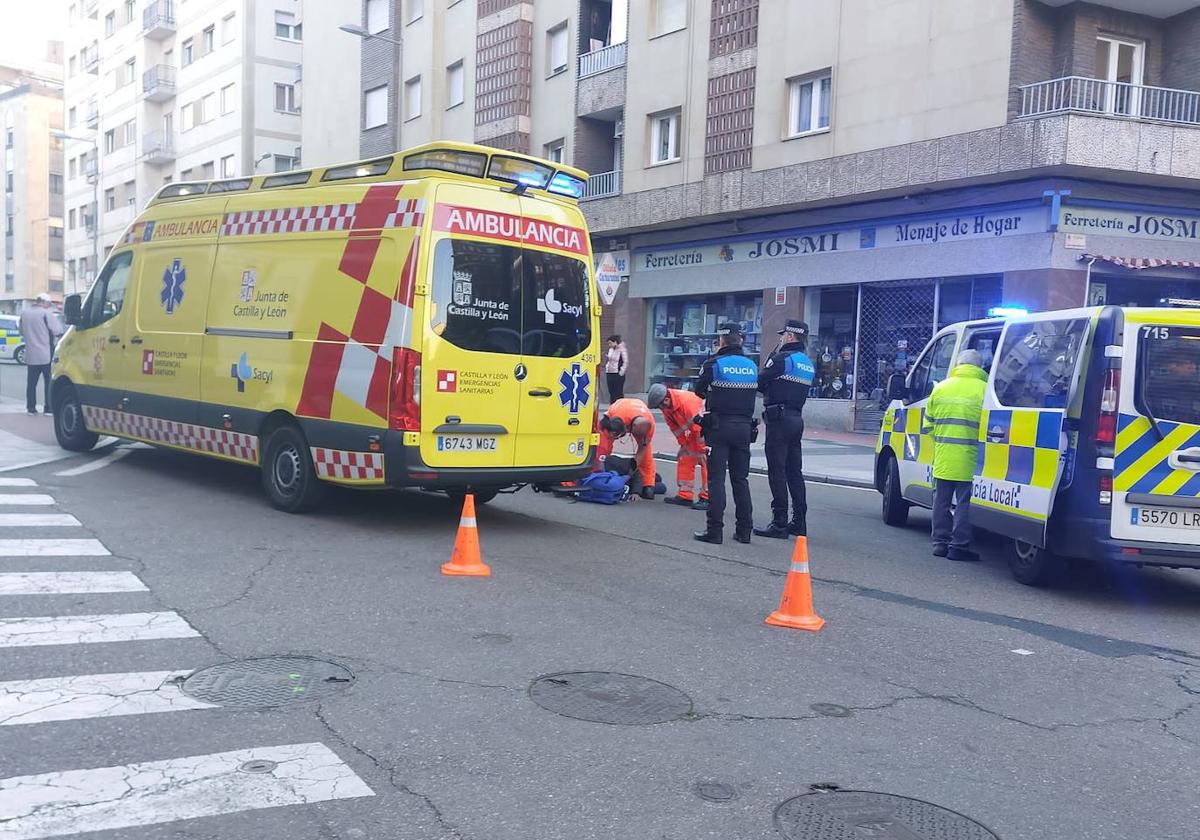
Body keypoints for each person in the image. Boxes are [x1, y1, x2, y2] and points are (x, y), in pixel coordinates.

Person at [693, 324, 758, 545]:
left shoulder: (713, 364)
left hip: (719, 427)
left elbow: (698, 389)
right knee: (741, 479)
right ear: (740, 340)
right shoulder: (751, 366)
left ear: (721, 341)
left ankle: (715, 531)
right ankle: (744, 531)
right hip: (744, 428)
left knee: (716, 480)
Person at [923, 348, 987, 562]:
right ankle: (959, 546)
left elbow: (928, 425)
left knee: (940, 502)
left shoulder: (940, 388)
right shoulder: (985, 391)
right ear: (979, 367)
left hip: (943, 457)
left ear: (958, 365)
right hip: (971, 459)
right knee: (964, 503)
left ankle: (939, 543)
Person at [754, 320, 815, 539]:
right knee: (794, 472)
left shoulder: (782, 359)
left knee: (777, 471)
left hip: (778, 420)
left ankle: (779, 522)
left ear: (790, 336)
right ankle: (799, 522)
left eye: (783, 335)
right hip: (796, 419)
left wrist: (769, 363)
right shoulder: (807, 363)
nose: (780, 338)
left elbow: (759, 383)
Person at [645, 383, 708, 510]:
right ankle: (685, 495)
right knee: (684, 457)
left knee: (706, 462)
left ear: (666, 399)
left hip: (705, 432)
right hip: (694, 432)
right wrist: (683, 444)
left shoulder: (687, 403)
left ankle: (707, 498)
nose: (661, 409)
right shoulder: (667, 407)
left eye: (660, 406)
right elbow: (676, 428)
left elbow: (699, 428)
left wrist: (702, 450)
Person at [596, 397, 656, 499]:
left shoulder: (649, 426)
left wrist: (632, 472)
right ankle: (600, 469)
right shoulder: (619, 415)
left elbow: (643, 449)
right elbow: (608, 432)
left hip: (636, 417)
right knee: (605, 443)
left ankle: (648, 484)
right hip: (619, 411)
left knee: (646, 453)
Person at [19, 293, 58, 416]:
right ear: (45, 302)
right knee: (48, 382)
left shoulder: (24, 313)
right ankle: (48, 408)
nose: (48, 306)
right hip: (46, 354)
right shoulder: (46, 313)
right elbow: (57, 330)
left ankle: (31, 408)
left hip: (31, 354)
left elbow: (21, 331)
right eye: (48, 304)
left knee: (31, 383)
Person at [605, 335, 627, 402]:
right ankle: (612, 406)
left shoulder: (622, 349)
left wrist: (621, 373)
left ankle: (620, 407)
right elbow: (610, 359)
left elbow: (625, 361)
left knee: (618, 392)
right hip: (609, 372)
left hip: (617, 373)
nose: (609, 345)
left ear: (615, 342)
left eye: (610, 343)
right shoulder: (611, 349)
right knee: (611, 392)